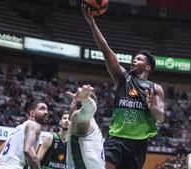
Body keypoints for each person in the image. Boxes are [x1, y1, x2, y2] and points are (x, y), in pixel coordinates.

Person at [82, 4, 165, 169]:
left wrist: (152, 107)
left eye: (139, 59)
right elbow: (106, 50)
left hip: (138, 143)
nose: (134, 60)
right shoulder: (122, 77)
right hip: (116, 138)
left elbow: (160, 117)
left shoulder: (156, 88)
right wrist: (92, 23)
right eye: (134, 58)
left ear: (148, 67)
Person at [0, 100, 49, 169]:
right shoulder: (34, 125)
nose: (46, 112)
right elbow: (28, 150)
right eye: (42, 109)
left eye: (47, 110)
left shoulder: (15, 131)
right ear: (32, 113)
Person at [65, 84, 105, 169]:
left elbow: (88, 111)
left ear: (73, 104)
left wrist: (86, 100)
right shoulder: (94, 125)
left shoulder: (78, 119)